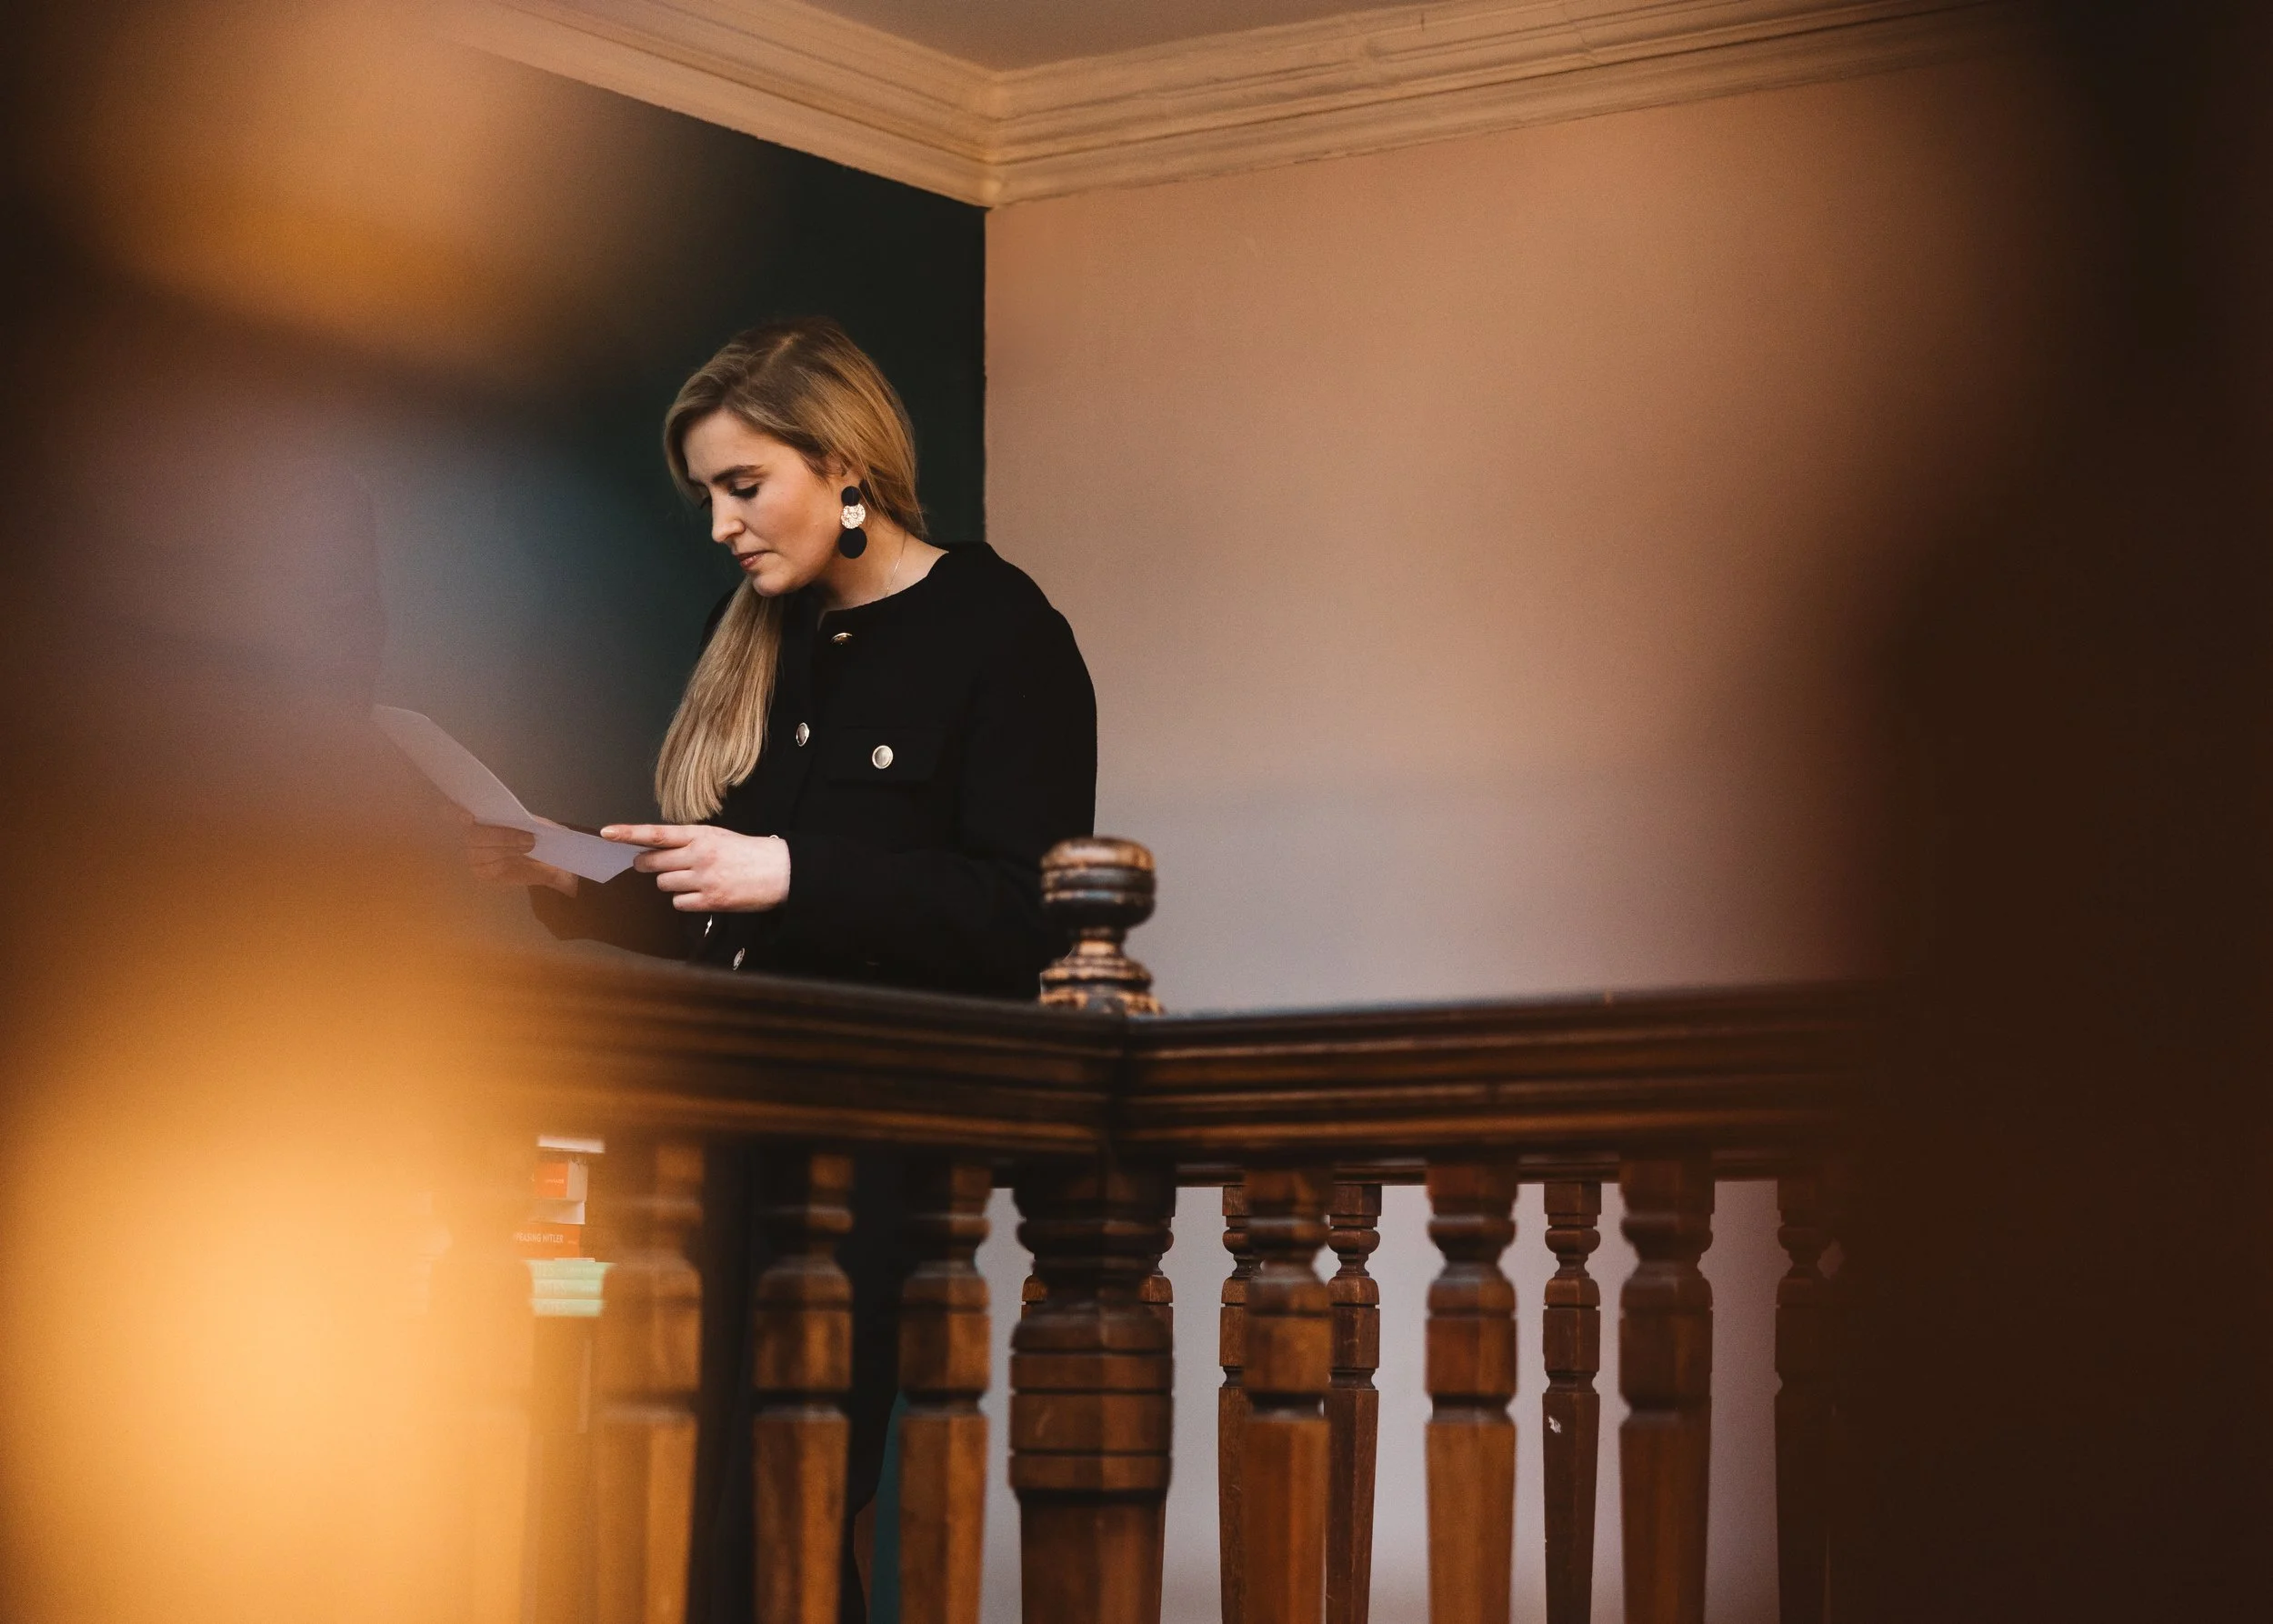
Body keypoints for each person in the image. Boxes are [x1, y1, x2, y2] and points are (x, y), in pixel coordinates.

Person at [461, 316, 1097, 1623]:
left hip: (867, 1141)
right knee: (659, 1481)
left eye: (743, 486)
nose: (722, 525)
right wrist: (566, 874)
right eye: (708, 494)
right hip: (701, 1128)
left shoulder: (1002, 630)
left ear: (845, 465)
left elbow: (1023, 911)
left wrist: (794, 870)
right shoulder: (754, 628)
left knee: (785, 1487)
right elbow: (728, 916)